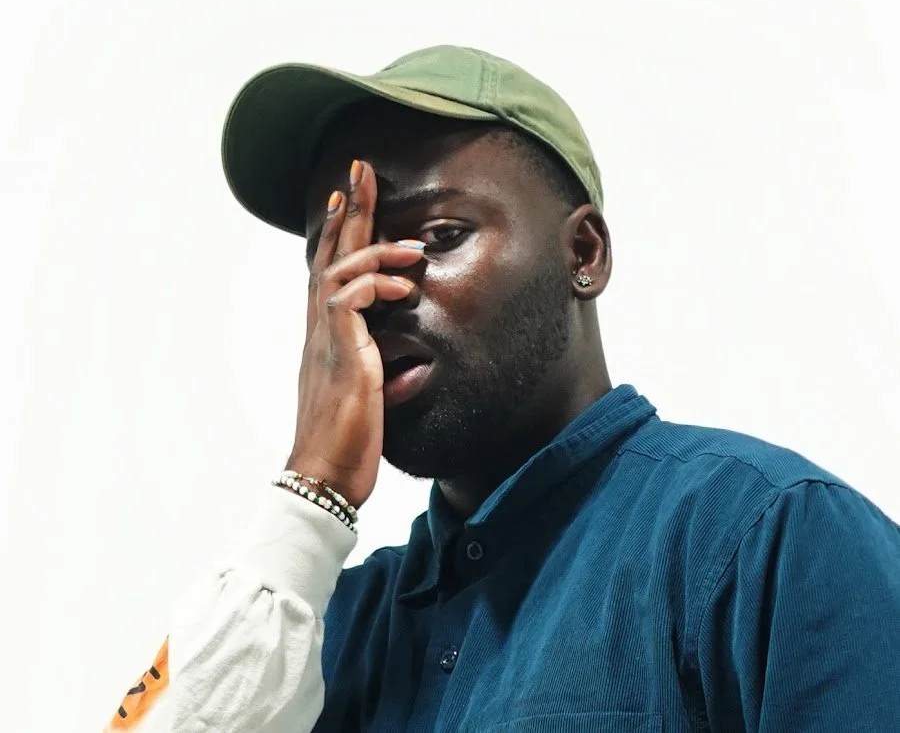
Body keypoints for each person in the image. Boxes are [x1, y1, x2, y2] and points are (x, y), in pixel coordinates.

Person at [105, 45, 900, 732]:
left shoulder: (765, 537)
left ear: (582, 253)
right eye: (337, 263)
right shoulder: (323, 631)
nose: (371, 295)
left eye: (438, 237)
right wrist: (310, 493)